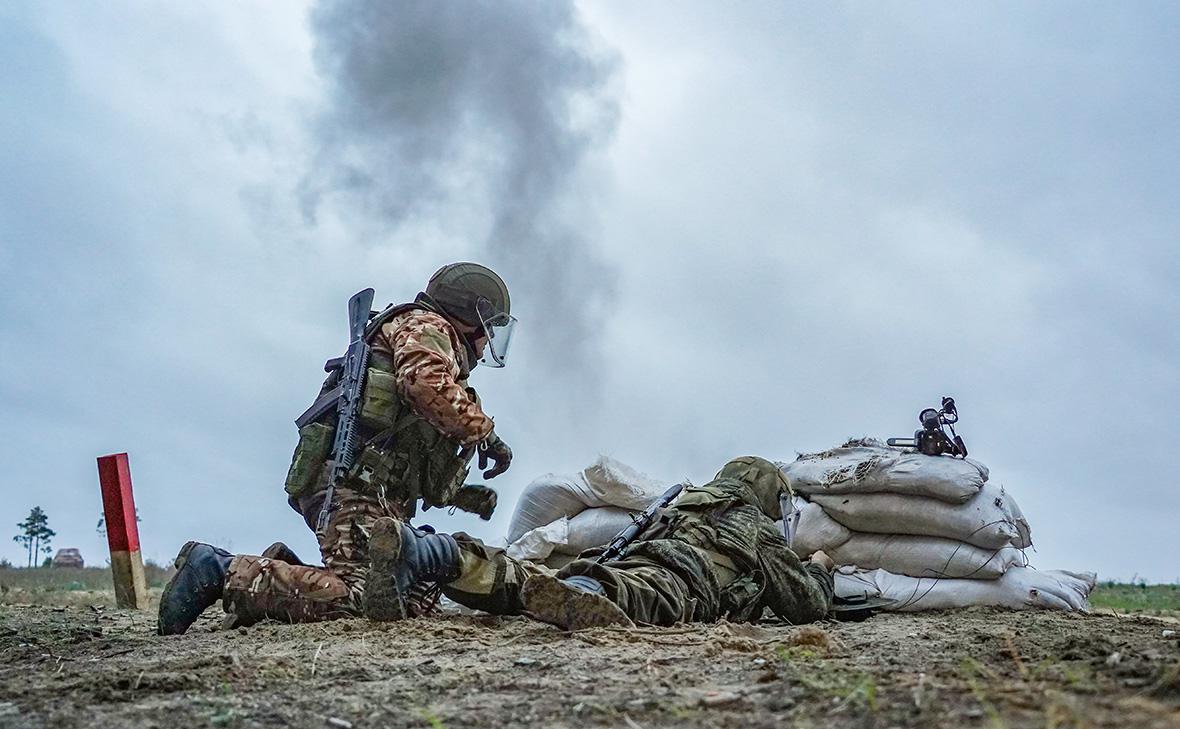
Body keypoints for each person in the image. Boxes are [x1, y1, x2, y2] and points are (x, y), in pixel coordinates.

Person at [158, 262, 517, 635]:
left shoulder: (428, 334)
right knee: (367, 599)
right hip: (351, 485)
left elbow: (409, 448)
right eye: (489, 329)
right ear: (471, 315)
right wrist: (483, 433)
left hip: (369, 490)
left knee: (412, 600)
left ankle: (276, 576)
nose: (487, 342)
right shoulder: (426, 326)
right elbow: (423, 384)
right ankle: (218, 571)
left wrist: (462, 494)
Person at [363, 456, 836, 630]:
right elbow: (805, 603)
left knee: (528, 581)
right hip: (673, 577)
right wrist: (820, 567)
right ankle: (586, 596)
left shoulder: (680, 504)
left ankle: (432, 552)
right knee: (646, 595)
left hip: (624, 559)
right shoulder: (750, 521)